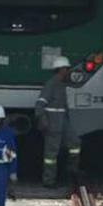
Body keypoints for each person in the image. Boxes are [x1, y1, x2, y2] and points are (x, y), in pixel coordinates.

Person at [35, 55, 81, 188]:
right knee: (51, 154)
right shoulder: (51, 84)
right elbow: (40, 105)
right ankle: (49, 181)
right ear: (60, 70)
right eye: (66, 68)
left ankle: (72, 170)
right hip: (52, 123)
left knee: (75, 143)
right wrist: (43, 119)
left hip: (62, 121)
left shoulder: (62, 84)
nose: (68, 71)